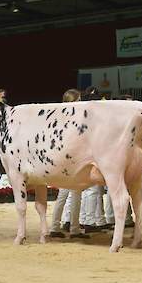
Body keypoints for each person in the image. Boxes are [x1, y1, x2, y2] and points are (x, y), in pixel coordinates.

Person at [49, 89, 89, 239]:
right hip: (73, 158)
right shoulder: (75, 117)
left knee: (63, 195)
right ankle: (74, 228)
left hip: (63, 159)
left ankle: (55, 227)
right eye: (79, 100)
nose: (81, 102)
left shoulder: (59, 116)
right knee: (75, 194)